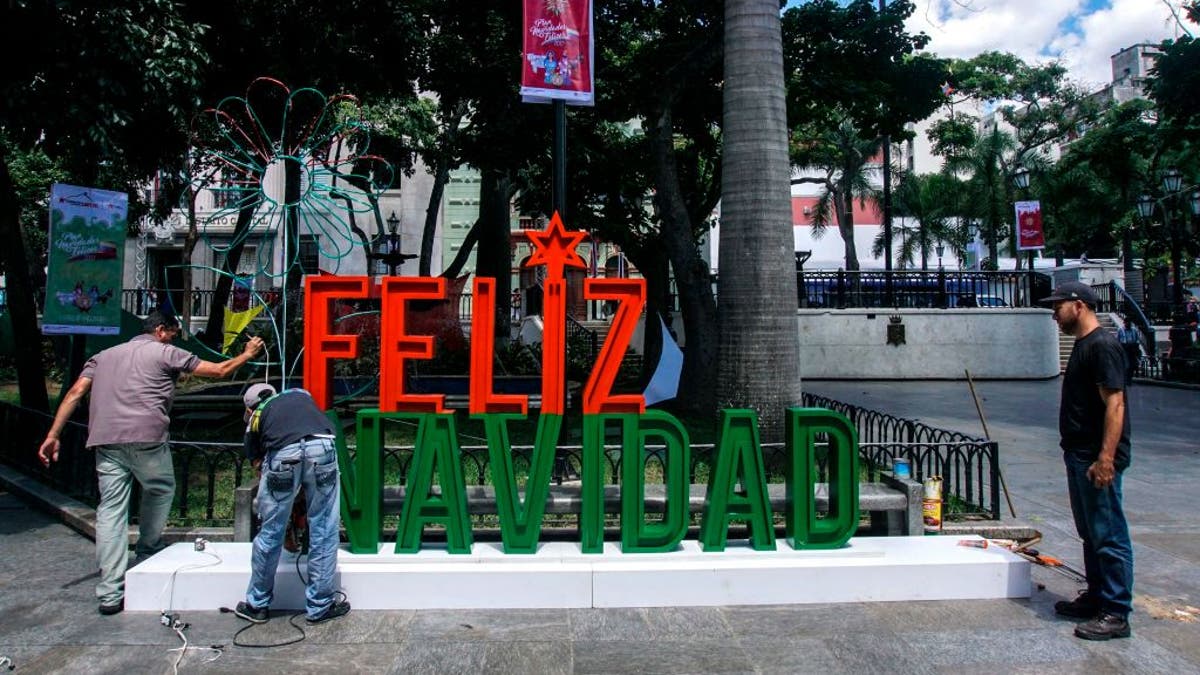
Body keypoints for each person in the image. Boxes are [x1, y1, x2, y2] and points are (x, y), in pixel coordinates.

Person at [38, 311, 264, 615]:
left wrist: (54, 434)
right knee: (160, 489)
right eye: (172, 332)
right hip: (147, 436)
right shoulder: (165, 352)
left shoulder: (103, 356)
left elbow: (76, 391)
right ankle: (147, 548)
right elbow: (220, 371)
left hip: (105, 440)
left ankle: (110, 592)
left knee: (111, 511)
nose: (173, 338)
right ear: (160, 330)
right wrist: (247, 354)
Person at [1040, 282, 1134, 641]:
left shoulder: (1103, 346)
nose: (1054, 313)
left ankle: (1115, 610)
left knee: (1108, 534)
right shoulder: (1083, 345)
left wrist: (1106, 457)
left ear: (1078, 306)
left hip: (1097, 457)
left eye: (1058, 306)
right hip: (1079, 453)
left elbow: (1116, 404)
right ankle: (1097, 596)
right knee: (1090, 532)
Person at [234, 384, 349, 625]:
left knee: (270, 530)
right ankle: (320, 606)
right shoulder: (298, 394)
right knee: (325, 528)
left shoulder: (255, 418)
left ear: (249, 407)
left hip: (283, 452)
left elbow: (258, 465)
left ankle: (257, 604)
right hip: (322, 444)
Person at [1115, 317, 1141, 385]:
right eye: (1127, 323)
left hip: (1132, 349)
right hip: (1124, 348)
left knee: (1132, 364)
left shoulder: (1134, 330)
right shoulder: (1120, 330)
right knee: (1126, 364)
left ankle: (1129, 378)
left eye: (1129, 323)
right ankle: (1126, 378)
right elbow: (1117, 340)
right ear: (1124, 323)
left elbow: (1137, 339)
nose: (1128, 324)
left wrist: (1136, 345)